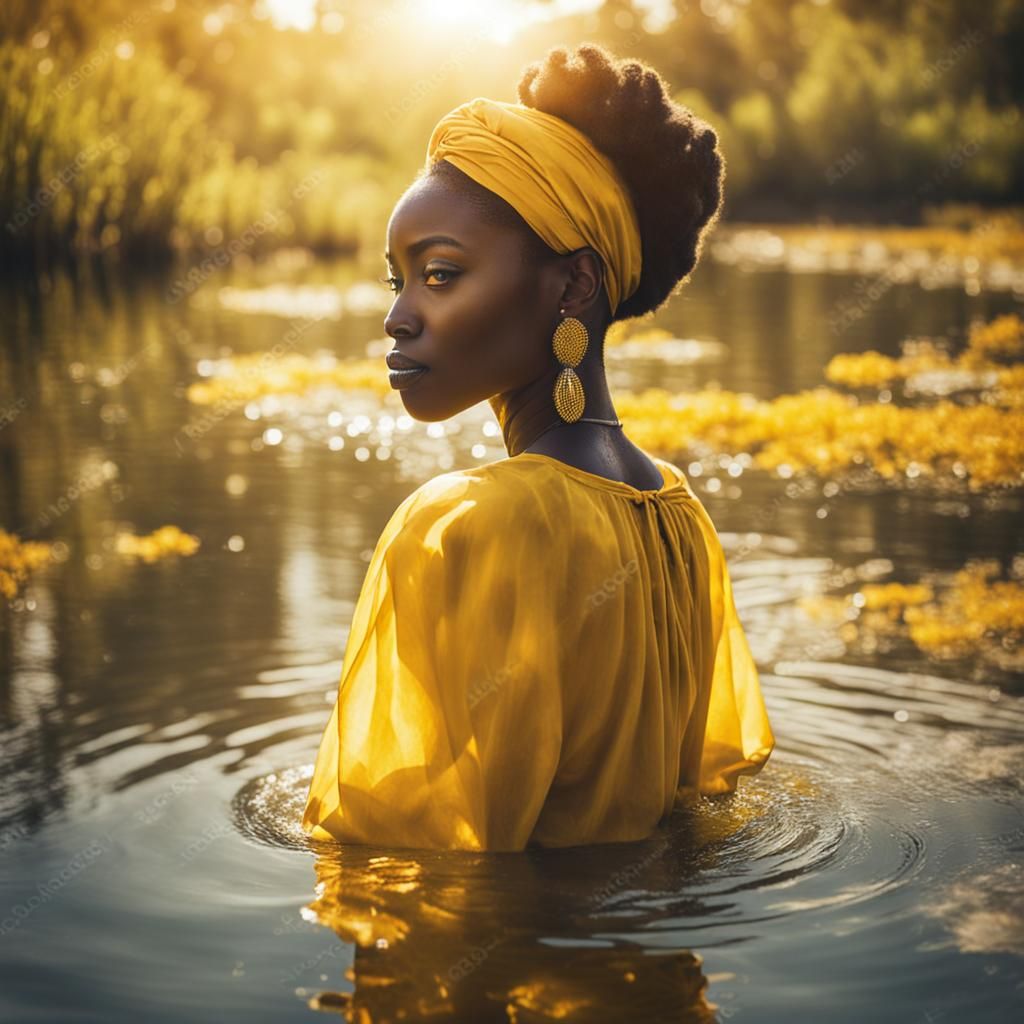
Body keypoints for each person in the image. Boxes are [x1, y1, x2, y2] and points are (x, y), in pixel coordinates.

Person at [302, 43, 775, 852]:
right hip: (652, 972)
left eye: (441, 274)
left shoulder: (469, 523)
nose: (398, 316)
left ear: (575, 286)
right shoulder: (679, 511)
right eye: (399, 280)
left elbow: (398, 848)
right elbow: (696, 808)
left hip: (519, 973)